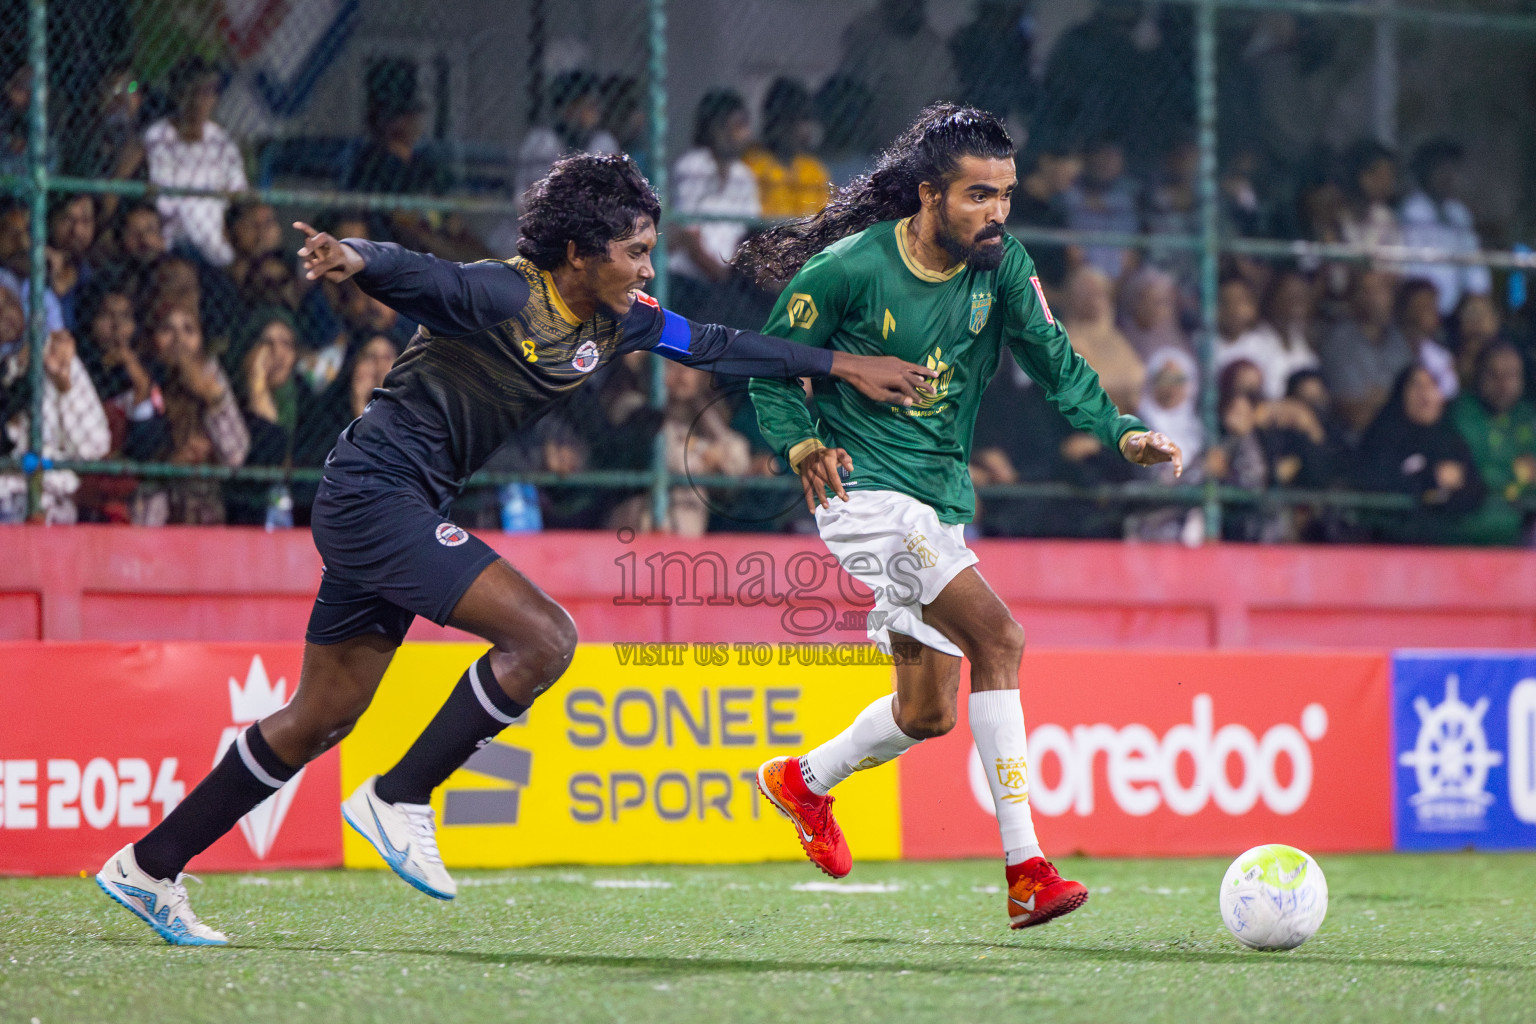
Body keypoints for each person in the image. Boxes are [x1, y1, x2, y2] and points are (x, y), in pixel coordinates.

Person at [93, 152, 934, 946]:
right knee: (545, 637)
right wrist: (353, 253)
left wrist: (842, 364)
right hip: (373, 492)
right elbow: (421, 274)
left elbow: (717, 344)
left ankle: (147, 866)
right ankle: (400, 795)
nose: (648, 269)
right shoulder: (504, 293)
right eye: (635, 251)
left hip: (400, 501)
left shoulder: (622, 321)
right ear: (578, 252)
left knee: (322, 716)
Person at [735, 105, 1180, 930]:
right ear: (930, 194)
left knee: (927, 713)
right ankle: (1027, 870)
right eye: (979, 196)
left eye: (1006, 195)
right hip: (863, 497)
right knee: (1000, 638)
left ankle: (801, 781)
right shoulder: (845, 271)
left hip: (939, 501)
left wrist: (1121, 431)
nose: (998, 214)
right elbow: (769, 369)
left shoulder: (1003, 266)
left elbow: (1056, 361)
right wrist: (800, 447)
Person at [1354, 363, 1483, 545]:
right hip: (1386, 547)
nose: (1425, 393)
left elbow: (1475, 491)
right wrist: (1431, 476)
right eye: (1416, 385)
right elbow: (1372, 485)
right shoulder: (1383, 434)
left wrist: (1455, 486)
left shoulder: (1451, 439)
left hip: (1447, 551)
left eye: (1433, 385)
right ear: (1402, 393)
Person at [144, 57, 248, 268]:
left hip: (216, 245)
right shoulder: (159, 136)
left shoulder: (221, 140)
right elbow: (164, 199)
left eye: (209, 92)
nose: (201, 100)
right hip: (173, 242)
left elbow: (239, 192)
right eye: (194, 91)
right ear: (178, 93)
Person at [1447, 343, 1536, 546]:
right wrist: (1518, 475)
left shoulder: (1529, 416)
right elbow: (1478, 472)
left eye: (1511, 375)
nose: (1503, 384)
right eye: (1493, 374)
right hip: (1468, 530)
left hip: (1524, 531)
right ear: (1479, 375)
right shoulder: (1461, 413)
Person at [1399, 139, 1490, 316]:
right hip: (1418, 310)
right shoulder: (1410, 212)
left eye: (1453, 169)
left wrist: (1478, 294)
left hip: (1456, 312)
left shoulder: (1459, 214)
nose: (1448, 176)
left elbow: (1474, 264)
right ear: (1424, 171)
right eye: (1441, 169)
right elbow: (1412, 271)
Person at [741, 78, 832, 219]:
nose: (804, 130)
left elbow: (825, 217)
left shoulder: (813, 169)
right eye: (794, 120)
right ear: (776, 122)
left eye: (806, 119)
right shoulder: (751, 165)